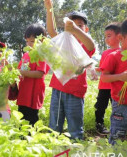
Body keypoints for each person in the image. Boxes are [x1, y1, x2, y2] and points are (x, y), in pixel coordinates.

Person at [44, 0, 95, 139]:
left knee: (75, 128)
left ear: (85, 29)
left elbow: (91, 45)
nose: (75, 29)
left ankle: (76, 148)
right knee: (54, 127)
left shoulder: (83, 44)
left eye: (80, 26)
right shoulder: (63, 42)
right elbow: (51, 31)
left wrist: (74, 29)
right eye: (71, 26)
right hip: (58, 89)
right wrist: (49, 9)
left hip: (75, 92)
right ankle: (54, 150)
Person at [15, 23, 50, 125]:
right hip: (23, 93)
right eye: (27, 41)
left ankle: (30, 139)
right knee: (22, 118)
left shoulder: (41, 54)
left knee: (31, 119)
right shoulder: (26, 55)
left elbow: (40, 74)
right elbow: (21, 70)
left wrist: (22, 72)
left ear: (42, 40)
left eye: (32, 41)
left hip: (34, 94)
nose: (29, 44)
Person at [100, 19, 127, 145]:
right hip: (120, 104)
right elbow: (104, 77)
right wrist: (120, 76)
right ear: (121, 38)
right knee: (118, 134)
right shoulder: (114, 56)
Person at [94, 22, 121, 135]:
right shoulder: (105, 53)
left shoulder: (122, 53)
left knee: (118, 108)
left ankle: (118, 127)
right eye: (105, 36)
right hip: (104, 86)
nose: (106, 39)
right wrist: (95, 69)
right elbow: (104, 68)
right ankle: (99, 125)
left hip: (116, 87)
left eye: (109, 36)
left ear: (119, 36)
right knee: (100, 106)